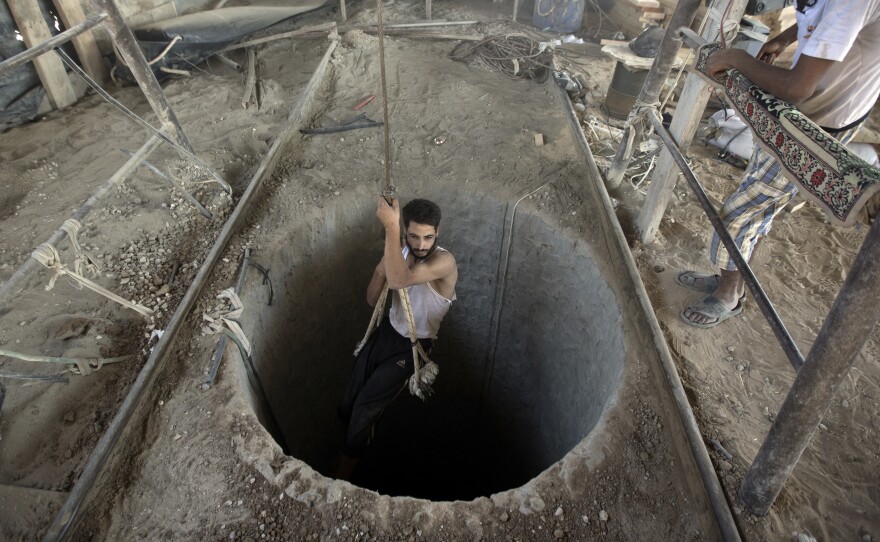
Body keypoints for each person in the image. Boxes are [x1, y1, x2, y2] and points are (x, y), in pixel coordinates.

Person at [679, 0, 880, 328]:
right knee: (758, 206)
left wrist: (736, 59)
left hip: (816, 126)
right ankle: (732, 280)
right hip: (807, 113)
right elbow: (818, 17)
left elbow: (796, 87)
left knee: (740, 211)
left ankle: (729, 295)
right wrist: (786, 37)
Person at [336, 196, 458, 478]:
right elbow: (371, 300)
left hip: (412, 348)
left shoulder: (444, 262)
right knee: (349, 402)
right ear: (406, 232)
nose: (421, 244)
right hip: (387, 332)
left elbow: (401, 279)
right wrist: (382, 267)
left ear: (437, 233)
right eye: (414, 236)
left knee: (365, 407)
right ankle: (351, 447)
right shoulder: (398, 253)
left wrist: (391, 229)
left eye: (428, 237)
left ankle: (341, 474)